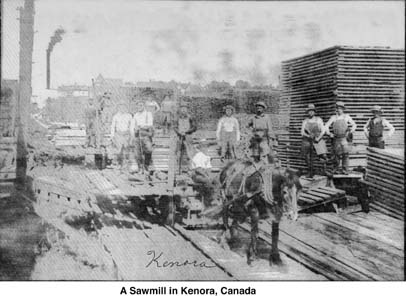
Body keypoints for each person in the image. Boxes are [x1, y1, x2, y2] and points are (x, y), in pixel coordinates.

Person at [325, 101, 357, 174]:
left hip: (344, 138)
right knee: (336, 154)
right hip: (336, 138)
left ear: (343, 109)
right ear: (336, 109)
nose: (339, 110)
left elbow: (354, 125)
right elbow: (326, 126)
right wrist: (329, 133)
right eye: (338, 108)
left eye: (340, 108)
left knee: (345, 154)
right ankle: (335, 169)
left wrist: (350, 131)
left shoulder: (346, 117)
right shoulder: (333, 117)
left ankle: (345, 170)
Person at [301, 104, 328, 177]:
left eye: (312, 111)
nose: (311, 113)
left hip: (317, 139)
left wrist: (318, 138)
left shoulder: (319, 120)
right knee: (307, 156)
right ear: (307, 112)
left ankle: (324, 171)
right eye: (309, 111)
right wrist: (308, 136)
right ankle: (310, 172)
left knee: (323, 155)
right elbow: (302, 132)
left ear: (314, 112)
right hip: (308, 140)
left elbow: (323, 131)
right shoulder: (305, 121)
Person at [131, 100, 154, 172]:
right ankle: (140, 167)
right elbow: (132, 126)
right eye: (138, 105)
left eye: (141, 105)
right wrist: (134, 132)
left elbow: (150, 124)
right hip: (137, 135)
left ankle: (146, 165)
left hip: (146, 134)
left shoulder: (148, 114)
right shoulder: (135, 115)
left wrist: (141, 126)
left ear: (144, 106)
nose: (139, 107)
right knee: (138, 153)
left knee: (149, 149)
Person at [173, 103, 197, 172]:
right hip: (179, 136)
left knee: (190, 152)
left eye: (185, 109)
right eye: (182, 109)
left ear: (187, 110)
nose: (183, 110)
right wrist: (179, 132)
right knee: (177, 152)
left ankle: (191, 167)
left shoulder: (190, 117)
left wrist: (187, 131)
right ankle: (177, 168)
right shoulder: (177, 118)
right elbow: (175, 127)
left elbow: (194, 127)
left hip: (188, 136)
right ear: (180, 110)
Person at [110, 102, 132, 167]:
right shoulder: (115, 116)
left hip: (126, 134)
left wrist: (131, 135)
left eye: (124, 107)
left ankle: (125, 163)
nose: (122, 108)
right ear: (118, 108)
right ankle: (116, 163)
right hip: (118, 134)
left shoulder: (129, 116)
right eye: (121, 107)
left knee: (126, 148)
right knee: (118, 149)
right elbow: (113, 126)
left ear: (126, 107)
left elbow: (131, 126)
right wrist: (112, 136)